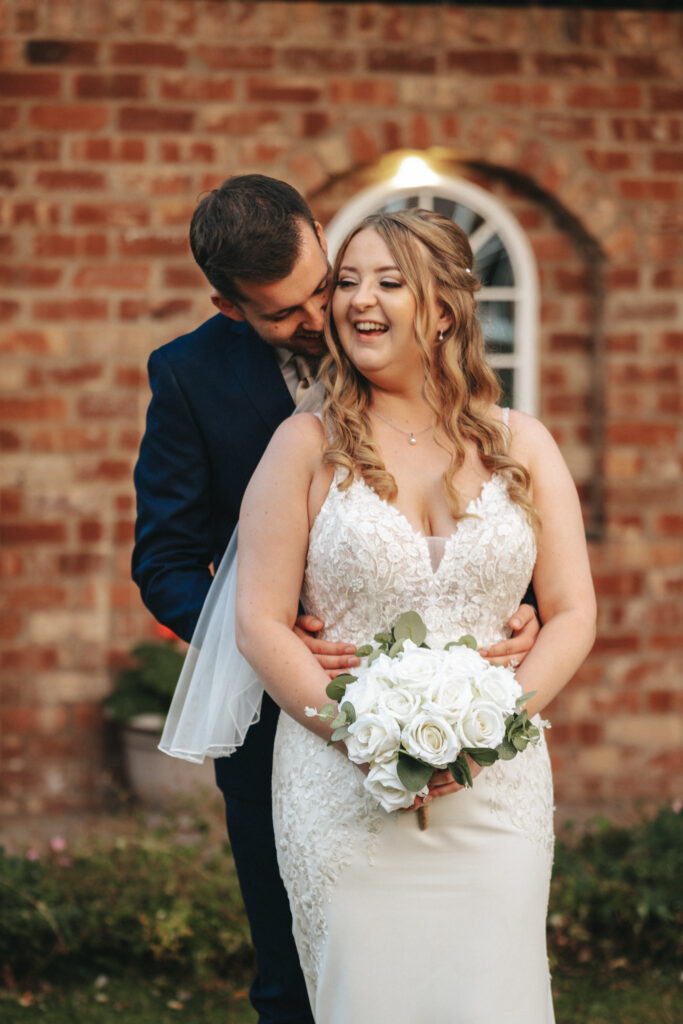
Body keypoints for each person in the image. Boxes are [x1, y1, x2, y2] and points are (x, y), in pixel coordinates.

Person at [133, 176, 540, 1023]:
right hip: (289, 731)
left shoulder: (402, 330)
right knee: (296, 982)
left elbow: (484, 502)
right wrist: (268, 632)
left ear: (321, 235)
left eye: (322, 284)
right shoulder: (189, 378)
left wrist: (523, 599)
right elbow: (165, 559)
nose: (322, 317)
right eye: (284, 314)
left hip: (468, 734)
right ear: (227, 303)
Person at [234, 209, 596, 1022]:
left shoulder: (524, 443)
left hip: (495, 785)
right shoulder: (303, 444)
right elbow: (258, 621)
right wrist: (366, 738)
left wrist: (489, 729)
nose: (359, 300)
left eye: (388, 282)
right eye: (348, 281)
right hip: (343, 784)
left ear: (442, 312)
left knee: (492, 995)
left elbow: (572, 612)